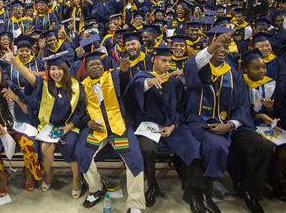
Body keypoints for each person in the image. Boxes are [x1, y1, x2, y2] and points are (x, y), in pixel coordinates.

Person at [184, 27, 272, 213]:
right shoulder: (199, 68)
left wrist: (231, 125)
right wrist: (213, 46)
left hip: (231, 125)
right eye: (218, 47)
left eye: (225, 47)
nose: (222, 50)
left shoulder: (235, 76)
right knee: (214, 145)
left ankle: (249, 191)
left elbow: (242, 106)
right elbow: (194, 63)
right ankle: (205, 194)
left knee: (262, 146)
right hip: (202, 121)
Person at [129, 47, 213, 212]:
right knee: (146, 149)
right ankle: (152, 185)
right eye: (163, 60)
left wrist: (173, 125)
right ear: (153, 59)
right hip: (150, 125)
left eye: (169, 61)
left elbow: (181, 108)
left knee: (193, 147)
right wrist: (150, 82)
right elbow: (138, 87)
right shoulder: (142, 76)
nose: (167, 64)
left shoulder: (174, 82)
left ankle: (191, 191)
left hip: (173, 125)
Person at [74, 52, 145, 213]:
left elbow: (126, 84)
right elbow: (79, 112)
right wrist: (87, 122)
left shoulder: (113, 77)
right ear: (86, 69)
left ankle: (135, 203)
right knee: (82, 154)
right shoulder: (82, 86)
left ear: (103, 66)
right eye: (92, 65)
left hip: (119, 128)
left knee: (134, 159)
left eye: (98, 64)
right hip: (96, 130)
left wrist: (126, 72)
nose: (96, 66)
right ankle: (96, 187)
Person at [9, 52, 85, 198]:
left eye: (59, 69)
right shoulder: (45, 85)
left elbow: (81, 109)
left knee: (69, 145)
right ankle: (48, 175)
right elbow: (31, 78)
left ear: (65, 69)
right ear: (48, 71)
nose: (56, 72)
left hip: (69, 126)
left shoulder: (75, 84)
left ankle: (76, 177)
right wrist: (15, 63)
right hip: (49, 126)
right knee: (45, 146)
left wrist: (68, 127)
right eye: (52, 69)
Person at [0, 57, 42, 197]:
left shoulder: (10, 87)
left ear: (2, 76)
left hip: (15, 126)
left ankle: (28, 171)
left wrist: (16, 99)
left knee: (30, 143)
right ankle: (2, 176)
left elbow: (28, 110)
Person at [240, 48, 286, 201]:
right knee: (266, 146)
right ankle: (264, 181)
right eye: (256, 68)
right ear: (245, 69)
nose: (262, 71)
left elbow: (278, 110)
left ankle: (275, 179)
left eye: (264, 67)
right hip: (247, 124)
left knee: (282, 147)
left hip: (268, 124)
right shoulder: (240, 84)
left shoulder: (271, 84)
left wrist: (270, 109)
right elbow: (239, 108)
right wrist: (257, 114)